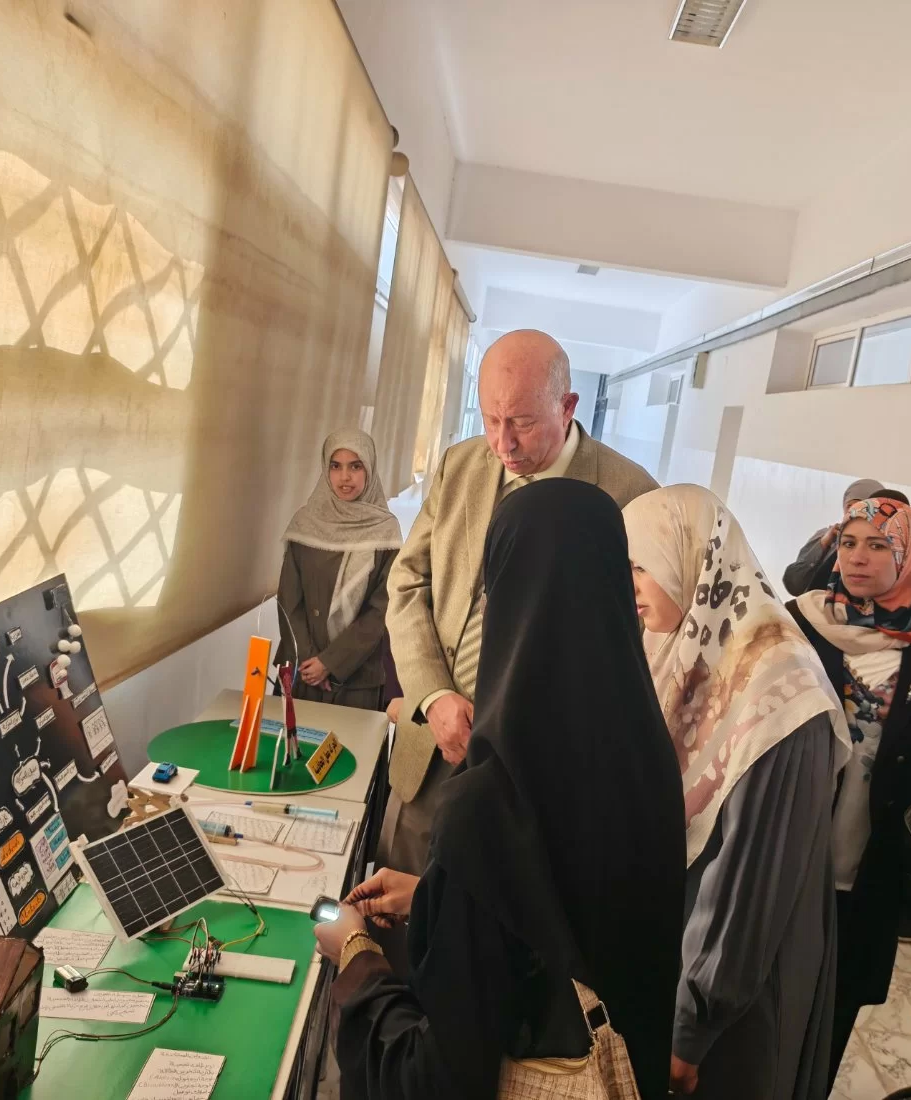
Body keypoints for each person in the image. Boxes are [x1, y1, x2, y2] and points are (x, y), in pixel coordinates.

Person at [315, 479, 686, 1100]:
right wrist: (436, 895)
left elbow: (434, 1077)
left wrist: (355, 956)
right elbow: (561, 922)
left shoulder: (487, 802)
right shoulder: (650, 764)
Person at [381, 329, 657, 873]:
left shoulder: (629, 495)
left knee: (494, 908)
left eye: (523, 423)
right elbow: (408, 582)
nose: (502, 444)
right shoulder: (460, 465)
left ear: (568, 406)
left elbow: (638, 641)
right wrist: (433, 696)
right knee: (397, 896)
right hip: (433, 747)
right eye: (490, 420)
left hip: (538, 776)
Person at [623, 485, 850, 1100]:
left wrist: (690, 1027)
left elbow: (750, 881)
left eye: (640, 565)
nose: (629, 583)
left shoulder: (778, 687)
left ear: (689, 556)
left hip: (737, 982)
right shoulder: (684, 647)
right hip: (682, 955)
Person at [784, 498, 911, 1085]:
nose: (857, 558)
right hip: (794, 837)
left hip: (876, 849)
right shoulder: (805, 621)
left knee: (840, 993)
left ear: (908, 555)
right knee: (774, 983)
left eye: (877, 545)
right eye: (848, 543)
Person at [275, 430, 403, 710]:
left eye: (355, 466)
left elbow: (382, 609)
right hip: (302, 672)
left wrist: (330, 662)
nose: (345, 477)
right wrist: (309, 660)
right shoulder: (305, 523)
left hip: (358, 678)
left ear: (369, 468)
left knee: (352, 740)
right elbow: (289, 600)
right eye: (336, 466)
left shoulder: (385, 530)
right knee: (293, 738)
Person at [782, 479, 883, 597]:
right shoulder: (825, 536)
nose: (853, 512)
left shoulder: (885, 545)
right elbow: (794, 585)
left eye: (861, 507)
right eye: (849, 506)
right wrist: (823, 544)